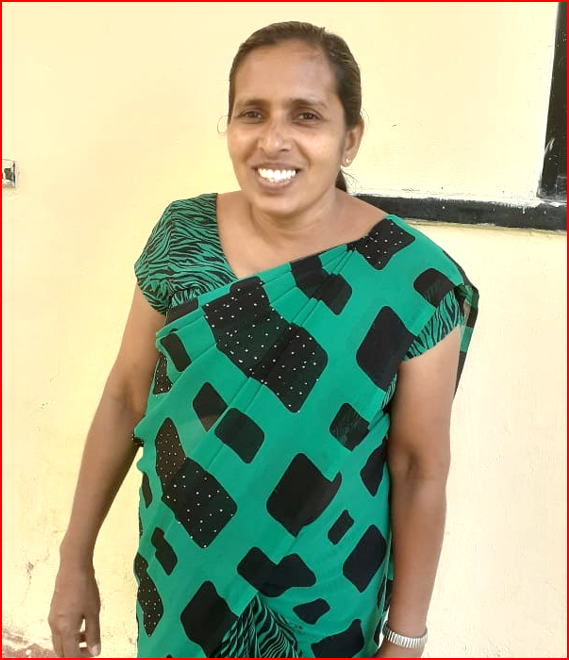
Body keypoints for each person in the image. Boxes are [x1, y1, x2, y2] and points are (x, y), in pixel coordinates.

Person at [48, 20, 478, 659]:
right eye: (252, 113)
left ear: (350, 138)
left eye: (307, 116)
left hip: (321, 607)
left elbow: (418, 468)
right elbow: (125, 398)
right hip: (180, 583)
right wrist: (73, 558)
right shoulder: (183, 235)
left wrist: (406, 636)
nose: (273, 140)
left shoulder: (413, 281)